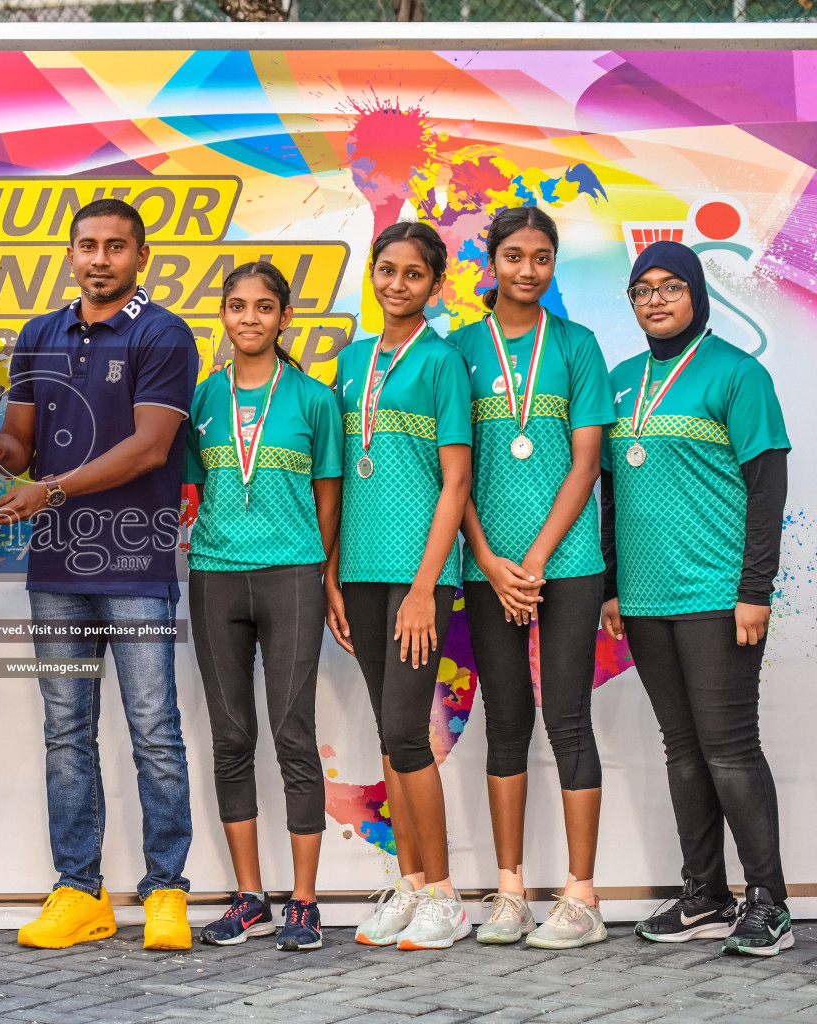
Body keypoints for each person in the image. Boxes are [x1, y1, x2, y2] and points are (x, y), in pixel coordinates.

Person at [0, 197, 200, 951]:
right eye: (86, 246)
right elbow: (20, 444)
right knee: (65, 733)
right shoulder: (40, 334)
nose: (99, 259)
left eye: (115, 247)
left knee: (154, 732)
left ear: (141, 256)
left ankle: (165, 891)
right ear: (70, 254)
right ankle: (80, 892)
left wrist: (49, 490)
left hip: (136, 563)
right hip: (55, 568)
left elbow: (149, 449)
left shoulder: (163, 333)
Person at [601, 240, 792, 957]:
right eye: (642, 289)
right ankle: (705, 894)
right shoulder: (621, 382)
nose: (655, 299)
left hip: (718, 595)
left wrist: (754, 591)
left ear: (695, 294)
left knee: (729, 748)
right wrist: (616, 586)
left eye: (669, 287)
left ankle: (767, 900)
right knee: (682, 748)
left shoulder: (737, 375)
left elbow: (767, 487)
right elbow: (612, 493)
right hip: (646, 601)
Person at [448, 208, 614, 949]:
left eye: (541, 258)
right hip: (488, 568)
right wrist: (488, 559)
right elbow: (453, 474)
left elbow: (585, 465)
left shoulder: (578, 346)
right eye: (513, 255)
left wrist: (539, 559)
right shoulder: (457, 351)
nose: (526, 270)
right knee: (507, 720)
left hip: (568, 563)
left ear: (553, 265)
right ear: (491, 261)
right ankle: (510, 891)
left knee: (568, 719)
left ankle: (580, 896)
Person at [187, 262, 344, 952]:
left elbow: (330, 496)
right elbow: (193, 490)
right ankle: (249, 896)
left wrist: (320, 570)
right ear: (222, 315)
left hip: (290, 577)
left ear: (284, 319)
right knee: (230, 737)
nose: (249, 318)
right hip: (215, 577)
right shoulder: (202, 398)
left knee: (292, 733)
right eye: (237, 306)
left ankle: (303, 902)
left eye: (264, 307)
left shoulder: (313, 399)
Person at [326, 222, 473, 951]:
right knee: (391, 734)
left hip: (419, 578)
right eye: (386, 270)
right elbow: (335, 480)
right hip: (358, 572)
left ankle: (445, 893)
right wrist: (329, 578)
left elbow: (455, 482)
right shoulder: (351, 362)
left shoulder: (444, 362)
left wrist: (426, 586)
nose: (396, 284)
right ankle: (411, 883)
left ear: (434, 285)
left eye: (413, 274)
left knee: (409, 737)